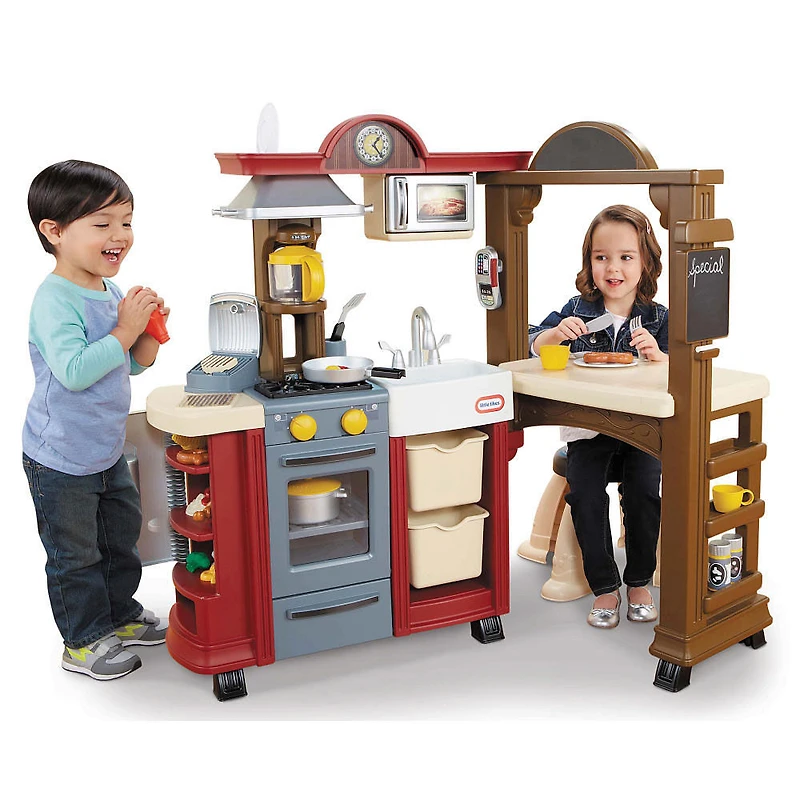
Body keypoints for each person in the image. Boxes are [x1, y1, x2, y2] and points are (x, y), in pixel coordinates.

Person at [23, 160, 169, 679]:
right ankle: (82, 641)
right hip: (60, 457)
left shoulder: (110, 291)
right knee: (76, 555)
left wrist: (147, 330)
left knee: (119, 540)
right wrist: (125, 330)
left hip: (105, 449)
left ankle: (120, 615)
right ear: (55, 231)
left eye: (126, 222)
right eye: (102, 223)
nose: (119, 235)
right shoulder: (54, 300)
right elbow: (76, 372)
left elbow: (131, 364)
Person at [528, 204, 668, 629]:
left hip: (643, 431)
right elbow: (531, 341)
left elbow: (684, 371)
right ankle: (605, 587)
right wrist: (554, 336)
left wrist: (660, 357)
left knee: (644, 491)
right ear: (589, 261)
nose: (613, 268)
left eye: (626, 257)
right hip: (588, 429)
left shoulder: (659, 318)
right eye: (601, 257)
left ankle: (639, 581)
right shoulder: (579, 308)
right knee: (586, 495)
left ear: (645, 263)